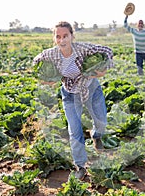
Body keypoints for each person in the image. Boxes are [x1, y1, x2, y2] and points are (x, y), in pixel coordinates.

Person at [33, 21, 114, 180]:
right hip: (70, 93)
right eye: (58, 37)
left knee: (102, 122)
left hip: (90, 88)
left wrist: (103, 70)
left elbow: (108, 51)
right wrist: (45, 78)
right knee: (75, 130)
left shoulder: (83, 48)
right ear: (54, 38)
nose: (62, 40)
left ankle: (96, 135)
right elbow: (36, 62)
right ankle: (80, 166)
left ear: (71, 36)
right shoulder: (51, 54)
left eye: (65, 36)